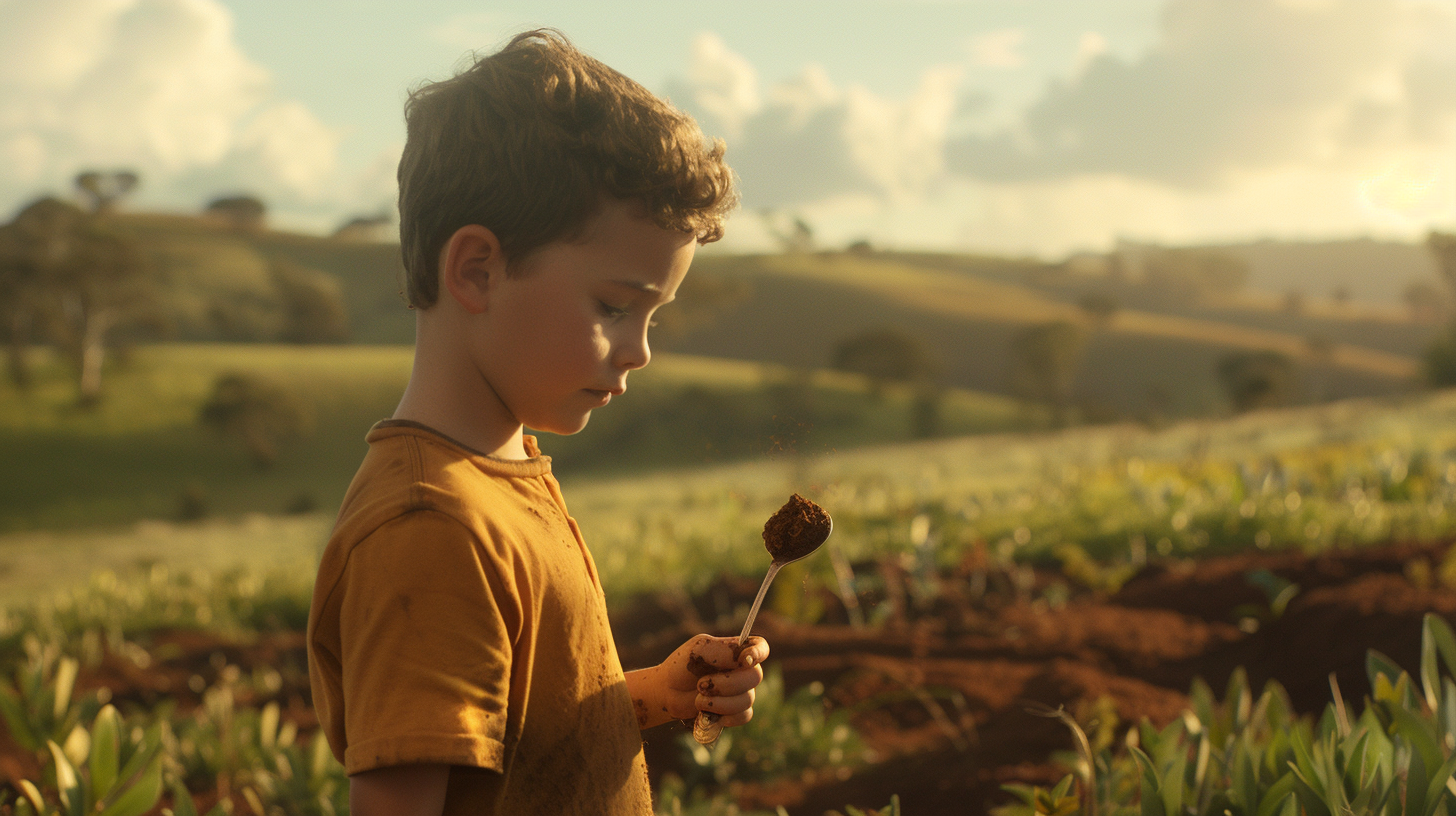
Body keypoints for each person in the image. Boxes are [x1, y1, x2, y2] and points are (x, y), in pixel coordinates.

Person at [306, 29, 765, 816]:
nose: (641, 351)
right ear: (477, 269)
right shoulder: (431, 529)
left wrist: (657, 691)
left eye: (652, 315)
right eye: (616, 307)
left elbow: (527, 732)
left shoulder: (501, 471)